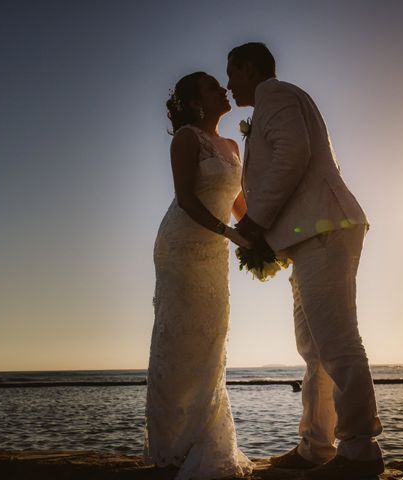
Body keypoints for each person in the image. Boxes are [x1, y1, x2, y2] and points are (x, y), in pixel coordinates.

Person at [227, 42, 384, 480]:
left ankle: (360, 451)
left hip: (325, 229)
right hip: (309, 237)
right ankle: (317, 447)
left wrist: (256, 224)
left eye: (232, 71)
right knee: (314, 349)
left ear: (250, 67)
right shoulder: (272, 104)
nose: (228, 82)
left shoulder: (275, 95)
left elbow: (291, 154)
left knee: (337, 341)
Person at [143, 71, 253, 480]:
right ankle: (171, 447)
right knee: (180, 339)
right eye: (211, 86)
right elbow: (187, 200)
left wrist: (264, 237)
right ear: (194, 102)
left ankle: (204, 438)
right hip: (182, 247)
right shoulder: (187, 139)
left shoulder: (233, 145)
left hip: (216, 251)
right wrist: (232, 235)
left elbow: (241, 205)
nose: (222, 89)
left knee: (211, 336)